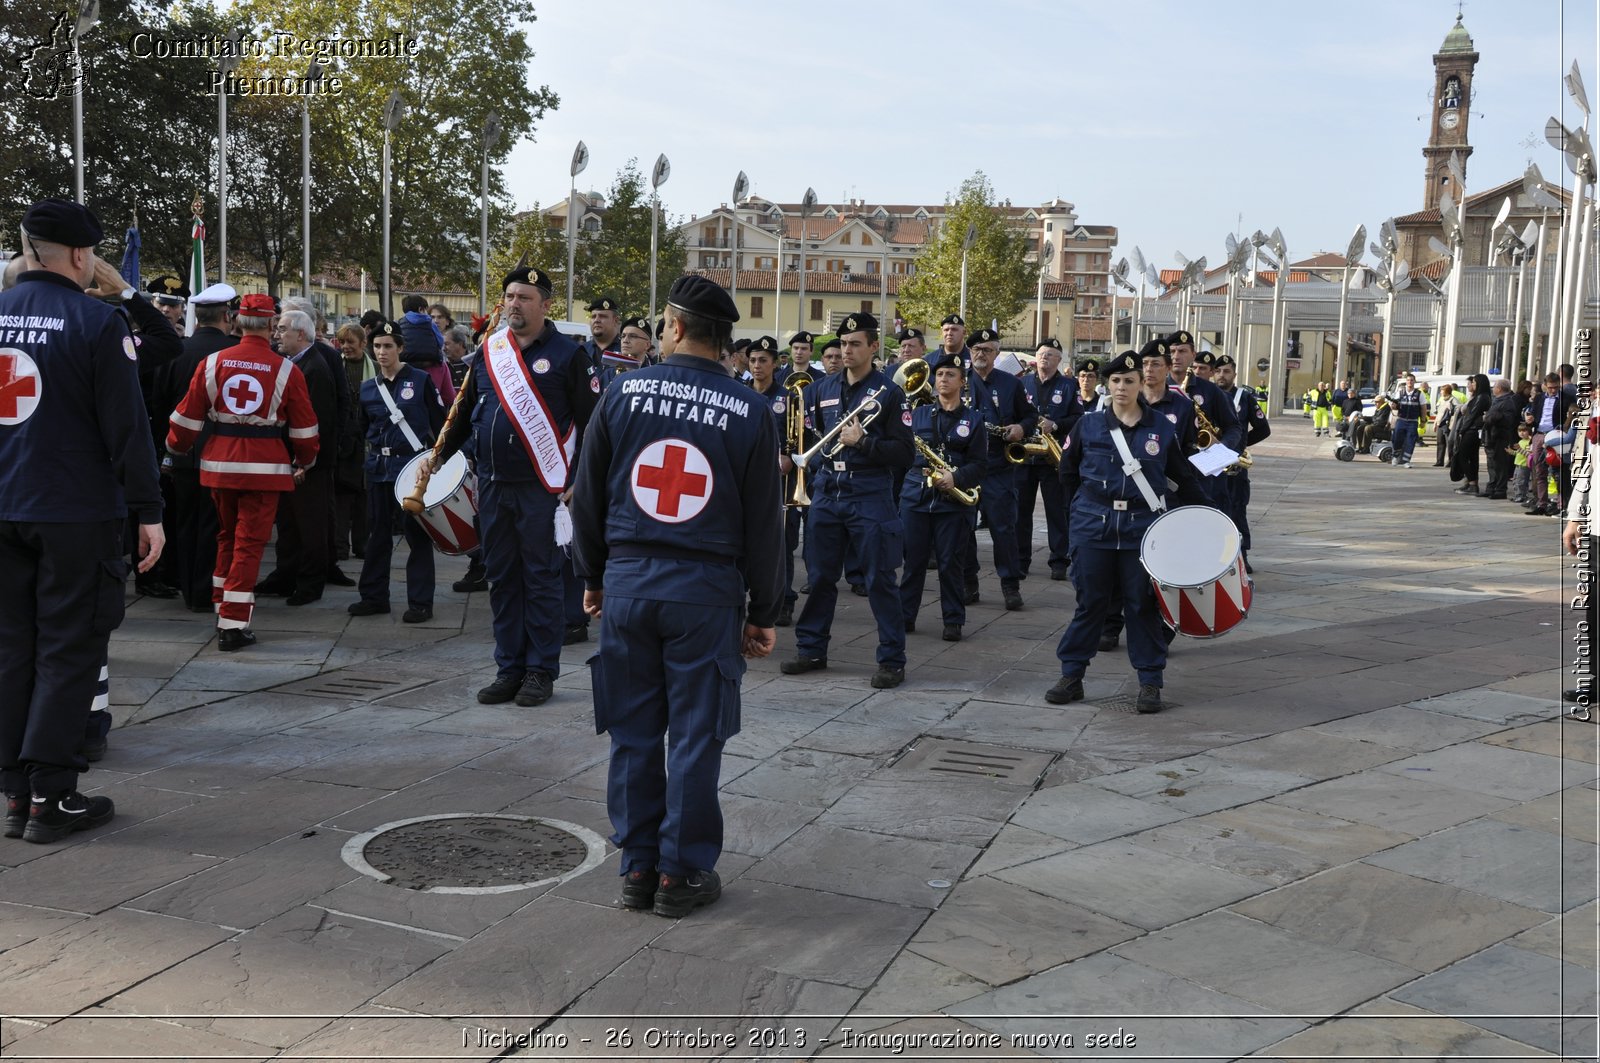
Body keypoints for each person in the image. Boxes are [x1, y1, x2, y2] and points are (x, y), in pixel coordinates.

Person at [570, 275, 782, 918]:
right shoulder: (749, 409)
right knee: (695, 736)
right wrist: (764, 610)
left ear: (676, 327)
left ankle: (637, 867)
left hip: (630, 585)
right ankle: (680, 875)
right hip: (705, 593)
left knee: (633, 732)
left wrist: (594, 576)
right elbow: (764, 523)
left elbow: (588, 493)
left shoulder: (623, 390)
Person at [0, 199, 165, 845]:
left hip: (5, 505)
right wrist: (148, 509)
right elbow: (128, 428)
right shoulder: (97, 322)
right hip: (73, 510)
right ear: (79, 255)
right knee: (69, 649)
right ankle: (52, 796)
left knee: (12, 648)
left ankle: (16, 791)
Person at [432, 266, 599, 707]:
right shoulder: (491, 350)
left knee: (541, 581)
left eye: (525, 297)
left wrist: (580, 479)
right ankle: (509, 667)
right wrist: (437, 459)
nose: (514, 304)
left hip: (542, 489)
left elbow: (594, 425)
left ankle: (540, 671)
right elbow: (465, 411)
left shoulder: (569, 355)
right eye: (509, 296)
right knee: (502, 580)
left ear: (545, 305)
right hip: (492, 484)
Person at [1046, 350, 1206, 714]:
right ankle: (1072, 676)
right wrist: (1079, 516)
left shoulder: (1161, 428)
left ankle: (1150, 682)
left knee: (1142, 605)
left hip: (1141, 531)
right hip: (1093, 527)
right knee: (1090, 604)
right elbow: (1067, 474)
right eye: (1115, 381)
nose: (1121, 387)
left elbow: (1182, 477)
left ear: (1140, 384)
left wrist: (1211, 516)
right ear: (1108, 384)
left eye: (1129, 381)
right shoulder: (1087, 425)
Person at [167, 292, 318, 650]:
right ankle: (233, 626)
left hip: (218, 466)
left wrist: (177, 447)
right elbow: (304, 430)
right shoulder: (286, 369)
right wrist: (305, 460)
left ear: (237, 322)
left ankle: (222, 605)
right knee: (250, 544)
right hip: (264, 470)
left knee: (226, 536)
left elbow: (186, 419)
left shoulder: (213, 362)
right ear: (270, 324)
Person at [782, 312, 913, 688]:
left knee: (879, 578)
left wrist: (865, 443)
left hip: (870, 492)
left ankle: (891, 659)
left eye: (856, 343)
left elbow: (904, 453)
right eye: (843, 344)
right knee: (820, 576)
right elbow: (810, 435)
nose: (847, 350)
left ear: (873, 347)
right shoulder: (821, 389)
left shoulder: (889, 393)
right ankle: (811, 649)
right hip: (827, 489)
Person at [349, 320, 445, 623]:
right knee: (377, 534)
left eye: (388, 346)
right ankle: (374, 596)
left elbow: (441, 421)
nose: (382, 352)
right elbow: (363, 428)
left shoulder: (420, 380)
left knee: (417, 536)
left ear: (400, 348)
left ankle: (420, 602)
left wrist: (439, 459)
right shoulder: (368, 389)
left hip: (411, 467)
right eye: (377, 346)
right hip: (379, 468)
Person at [255, 309, 340, 605]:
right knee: (289, 522)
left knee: (310, 523)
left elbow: (319, 421)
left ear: (300, 334)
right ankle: (285, 576)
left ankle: (310, 583)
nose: (277, 334)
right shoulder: (294, 365)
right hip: (291, 458)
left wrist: (304, 461)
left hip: (308, 462)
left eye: (283, 329)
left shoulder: (313, 368)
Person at [899, 351, 987, 640]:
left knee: (951, 563)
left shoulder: (975, 420)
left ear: (962, 382)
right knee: (913, 562)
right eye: (939, 375)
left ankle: (953, 620)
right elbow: (903, 454)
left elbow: (981, 464)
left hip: (953, 502)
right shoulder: (918, 414)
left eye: (950, 375)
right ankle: (905, 616)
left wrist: (956, 477)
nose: (943, 379)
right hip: (916, 499)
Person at [961, 328, 1033, 610]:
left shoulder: (1011, 384)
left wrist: (1020, 428)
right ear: (970, 352)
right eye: (977, 349)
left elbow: (1029, 416)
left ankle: (1010, 585)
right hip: (965, 467)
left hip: (998, 466)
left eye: (988, 350)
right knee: (964, 528)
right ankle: (969, 582)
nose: (982, 354)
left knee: (1004, 529)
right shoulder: (958, 380)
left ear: (996, 354)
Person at [1017, 338, 1078, 581]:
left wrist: (1057, 424)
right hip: (1025, 456)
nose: (1045, 358)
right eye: (1042, 353)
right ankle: (1021, 560)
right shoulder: (1020, 384)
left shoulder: (1069, 386)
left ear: (1059, 360)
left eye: (1051, 354)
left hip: (1053, 458)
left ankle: (1059, 561)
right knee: (1021, 511)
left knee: (1056, 511)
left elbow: (1078, 418)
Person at [1215, 354, 1269, 572]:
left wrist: (1241, 445)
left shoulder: (1244, 398)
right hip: (1210, 466)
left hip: (1235, 467)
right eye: (1217, 371)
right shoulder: (1205, 396)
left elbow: (1263, 429)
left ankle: (1241, 556)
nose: (1221, 375)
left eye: (1226, 371)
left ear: (1234, 374)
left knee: (1237, 510)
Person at [335, 323, 376, 561]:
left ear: (363, 344)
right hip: (345, 439)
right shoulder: (336, 366)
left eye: (351, 342)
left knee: (364, 496)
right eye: (342, 342)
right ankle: (340, 546)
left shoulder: (375, 368)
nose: (346, 347)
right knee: (342, 496)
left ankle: (362, 544)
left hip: (367, 438)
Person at [1525, 373, 1571, 516]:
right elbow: (1531, 413)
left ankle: (1560, 504)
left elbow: (1570, 416)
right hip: (1539, 434)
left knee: (1557, 471)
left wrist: (1563, 428)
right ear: (1545, 385)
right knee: (1539, 470)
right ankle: (1541, 503)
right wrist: (1529, 418)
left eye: (1556, 387)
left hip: (1555, 435)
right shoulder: (1539, 398)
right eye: (1550, 388)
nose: (1553, 390)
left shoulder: (1565, 398)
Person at [399, 294, 456, 405]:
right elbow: (439, 341)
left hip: (406, 366)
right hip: (431, 364)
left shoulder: (400, 323)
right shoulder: (428, 322)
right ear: (421, 309)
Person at [1450, 374, 1491, 494]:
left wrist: (1463, 429)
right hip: (1471, 429)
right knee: (1471, 458)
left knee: (1463, 456)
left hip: (1472, 430)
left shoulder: (1482, 397)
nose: (1472, 384)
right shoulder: (1478, 396)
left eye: (1473, 382)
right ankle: (1470, 483)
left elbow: (1472, 414)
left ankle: (1472, 483)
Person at [1480, 378, 1520, 500]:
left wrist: (1491, 417)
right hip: (1492, 435)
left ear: (1499, 388)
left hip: (1500, 436)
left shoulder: (1507, 402)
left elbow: (1507, 420)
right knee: (1492, 464)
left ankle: (1500, 489)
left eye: (1495, 387)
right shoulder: (1496, 400)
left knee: (1500, 464)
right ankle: (1492, 486)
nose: (1493, 389)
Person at [1389, 373, 1425, 467]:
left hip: (1413, 421)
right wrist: (1393, 405)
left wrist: (1423, 421)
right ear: (1406, 382)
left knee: (1410, 441)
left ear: (1414, 382)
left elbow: (1423, 408)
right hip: (1401, 420)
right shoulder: (1400, 392)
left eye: (1412, 380)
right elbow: (1394, 406)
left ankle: (1406, 461)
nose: (1410, 382)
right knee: (1397, 439)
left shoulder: (1419, 394)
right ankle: (1395, 457)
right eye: (1408, 380)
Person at [581, 297, 623, 373]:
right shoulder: (581, 351)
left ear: (615, 320)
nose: (596, 320)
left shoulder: (625, 351)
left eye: (603, 316)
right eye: (593, 317)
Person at [1432, 382, 1460, 466]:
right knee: (1440, 442)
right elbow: (1438, 413)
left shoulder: (1453, 400)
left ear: (1447, 391)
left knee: (1449, 443)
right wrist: (1435, 423)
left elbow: (1457, 411)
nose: (1440, 392)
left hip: (1448, 424)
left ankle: (1451, 461)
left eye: (1442, 390)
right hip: (1440, 423)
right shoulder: (1441, 399)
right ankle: (1439, 461)